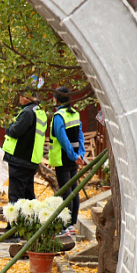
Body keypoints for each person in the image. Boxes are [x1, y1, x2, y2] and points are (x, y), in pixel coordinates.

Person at [49, 87, 86, 233]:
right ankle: (72, 223)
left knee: (66, 192)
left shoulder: (59, 116)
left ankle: (67, 225)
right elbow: (80, 136)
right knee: (74, 191)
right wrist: (80, 155)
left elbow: (62, 139)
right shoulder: (75, 113)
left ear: (57, 99)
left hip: (63, 159)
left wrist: (73, 155)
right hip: (74, 159)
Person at [1, 90, 47, 204]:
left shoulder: (27, 112)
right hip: (31, 158)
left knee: (15, 197)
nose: (19, 99)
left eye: (20, 96)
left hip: (20, 159)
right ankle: (31, 221)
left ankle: (14, 221)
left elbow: (14, 132)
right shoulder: (39, 111)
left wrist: (7, 123)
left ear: (26, 96)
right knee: (28, 197)